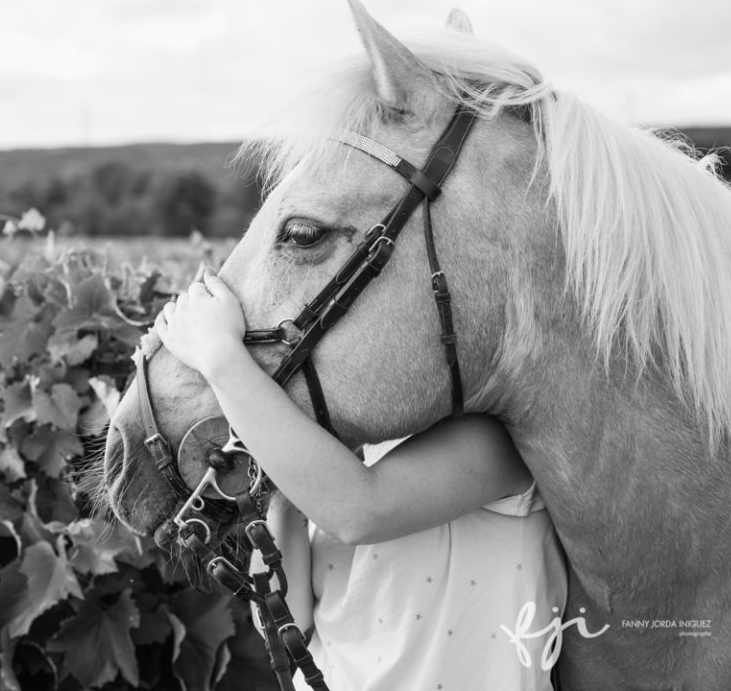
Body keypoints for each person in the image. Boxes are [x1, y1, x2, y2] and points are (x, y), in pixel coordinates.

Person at [154, 268, 568, 691]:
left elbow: (361, 512)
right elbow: (284, 624)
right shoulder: (345, 455)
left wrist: (220, 359)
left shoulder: (497, 437)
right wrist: (285, 489)